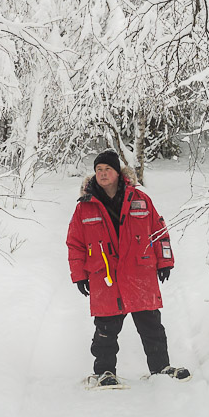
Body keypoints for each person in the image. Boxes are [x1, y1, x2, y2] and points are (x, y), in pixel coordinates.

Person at [66, 149, 190, 387]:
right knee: (105, 329)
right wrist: (79, 275)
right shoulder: (84, 207)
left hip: (139, 274)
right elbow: (75, 244)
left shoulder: (140, 199)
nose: (103, 174)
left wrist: (165, 261)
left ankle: (160, 368)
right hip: (105, 277)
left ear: (117, 172)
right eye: (99, 170)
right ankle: (105, 372)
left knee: (151, 325)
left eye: (107, 169)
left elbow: (159, 232)